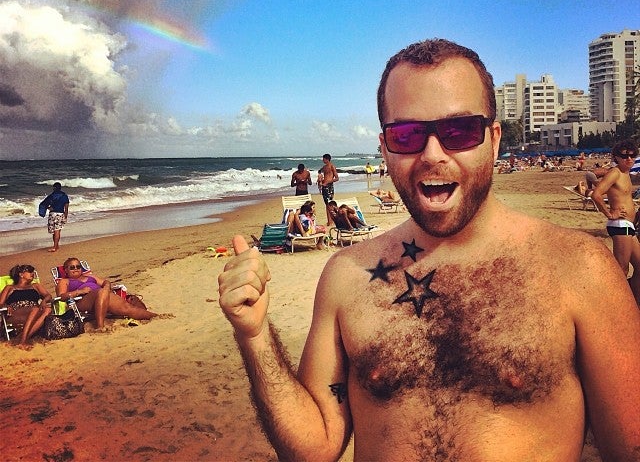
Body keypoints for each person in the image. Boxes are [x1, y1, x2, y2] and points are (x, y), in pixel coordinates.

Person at [218, 38, 640, 461]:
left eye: (459, 131)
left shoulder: (578, 269)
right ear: (384, 148)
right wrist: (254, 335)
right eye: (407, 135)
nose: (433, 154)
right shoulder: (347, 276)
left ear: (493, 141)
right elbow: (314, 447)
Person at [590, 140, 640, 305]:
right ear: (617, 157)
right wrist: (610, 213)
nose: (629, 159)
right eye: (625, 156)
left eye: (632, 155)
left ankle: (633, 302)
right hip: (620, 225)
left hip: (628, 226)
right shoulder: (615, 173)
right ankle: (613, 306)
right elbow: (596, 194)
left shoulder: (626, 174)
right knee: (621, 270)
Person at [55, 257, 157, 330]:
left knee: (127, 308)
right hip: (82, 301)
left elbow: (105, 282)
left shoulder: (91, 277)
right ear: (66, 270)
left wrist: (107, 287)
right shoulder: (64, 281)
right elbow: (61, 297)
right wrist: (79, 291)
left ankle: (155, 316)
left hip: (102, 296)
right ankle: (100, 326)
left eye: (78, 266)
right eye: (72, 267)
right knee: (100, 292)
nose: (76, 269)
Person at [0, 264, 52, 348]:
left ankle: (21, 339)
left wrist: (44, 301)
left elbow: (48, 295)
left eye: (33, 271)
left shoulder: (35, 286)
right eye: (30, 271)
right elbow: (0, 303)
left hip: (34, 312)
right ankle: (23, 341)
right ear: (21, 274)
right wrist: (6, 305)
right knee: (35, 309)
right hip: (16, 313)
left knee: (48, 310)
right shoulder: (9, 288)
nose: (33, 273)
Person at [39, 182, 70, 252]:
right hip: (60, 214)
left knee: (54, 231)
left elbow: (44, 204)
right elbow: (66, 207)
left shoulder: (52, 195)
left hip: (52, 214)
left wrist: (49, 208)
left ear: (54, 188)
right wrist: (66, 216)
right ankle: (56, 246)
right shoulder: (64, 196)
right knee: (57, 230)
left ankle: (55, 247)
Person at [318, 153, 339, 225]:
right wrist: (320, 179)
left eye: (323, 159)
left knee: (330, 204)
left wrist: (328, 182)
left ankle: (332, 220)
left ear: (327, 159)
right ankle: (329, 221)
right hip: (324, 186)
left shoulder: (332, 166)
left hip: (329, 186)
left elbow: (337, 178)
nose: (322, 160)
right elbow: (319, 171)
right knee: (326, 204)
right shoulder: (324, 167)